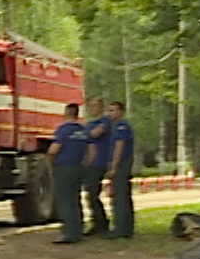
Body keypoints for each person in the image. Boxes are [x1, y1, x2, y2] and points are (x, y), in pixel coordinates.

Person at [48, 103, 91, 245]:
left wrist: (51, 160)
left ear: (66, 113)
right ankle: (78, 230)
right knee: (75, 199)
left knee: (64, 201)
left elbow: (54, 149)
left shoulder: (63, 130)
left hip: (64, 168)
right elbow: (92, 151)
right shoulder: (83, 131)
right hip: (78, 168)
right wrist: (85, 164)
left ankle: (68, 233)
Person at [105, 100, 137, 239]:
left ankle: (121, 229)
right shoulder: (117, 127)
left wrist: (114, 166)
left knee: (120, 197)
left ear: (120, 112)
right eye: (110, 110)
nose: (110, 113)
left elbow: (119, 146)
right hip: (122, 163)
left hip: (121, 163)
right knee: (123, 195)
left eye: (113, 110)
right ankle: (126, 228)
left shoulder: (121, 127)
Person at [81, 98, 112, 237]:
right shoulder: (90, 123)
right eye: (91, 106)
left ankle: (101, 223)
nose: (92, 108)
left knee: (92, 193)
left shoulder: (104, 121)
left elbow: (95, 134)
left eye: (95, 106)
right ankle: (97, 221)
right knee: (90, 193)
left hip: (99, 161)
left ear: (101, 107)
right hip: (89, 162)